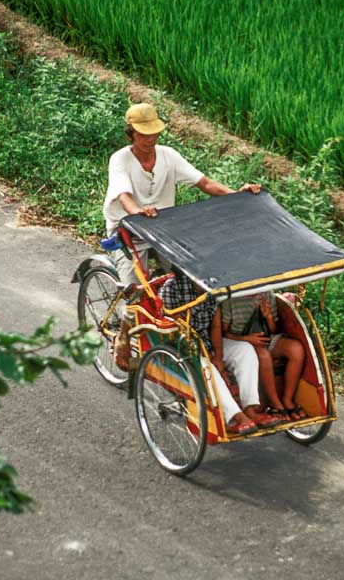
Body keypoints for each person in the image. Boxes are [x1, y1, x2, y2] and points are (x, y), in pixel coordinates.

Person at [103, 103, 260, 283]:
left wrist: (238, 196)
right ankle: (129, 311)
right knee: (134, 289)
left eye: (154, 134)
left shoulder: (168, 155)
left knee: (189, 276)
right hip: (128, 228)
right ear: (130, 135)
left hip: (162, 226)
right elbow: (124, 196)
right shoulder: (120, 159)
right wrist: (137, 212)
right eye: (143, 135)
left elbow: (206, 183)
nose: (150, 139)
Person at [159, 269, 279, 432]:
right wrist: (207, 356)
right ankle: (236, 417)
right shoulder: (172, 288)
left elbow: (215, 325)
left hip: (207, 340)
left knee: (245, 350)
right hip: (182, 346)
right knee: (207, 367)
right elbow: (173, 326)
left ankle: (250, 409)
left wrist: (219, 356)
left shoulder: (213, 285)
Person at [221, 292, 307, 420]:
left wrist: (268, 317)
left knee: (296, 349)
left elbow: (274, 330)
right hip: (241, 342)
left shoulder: (268, 296)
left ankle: (287, 399)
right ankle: (274, 402)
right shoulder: (230, 301)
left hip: (266, 338)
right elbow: (223, 333)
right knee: (264, 355)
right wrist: (246, 339)